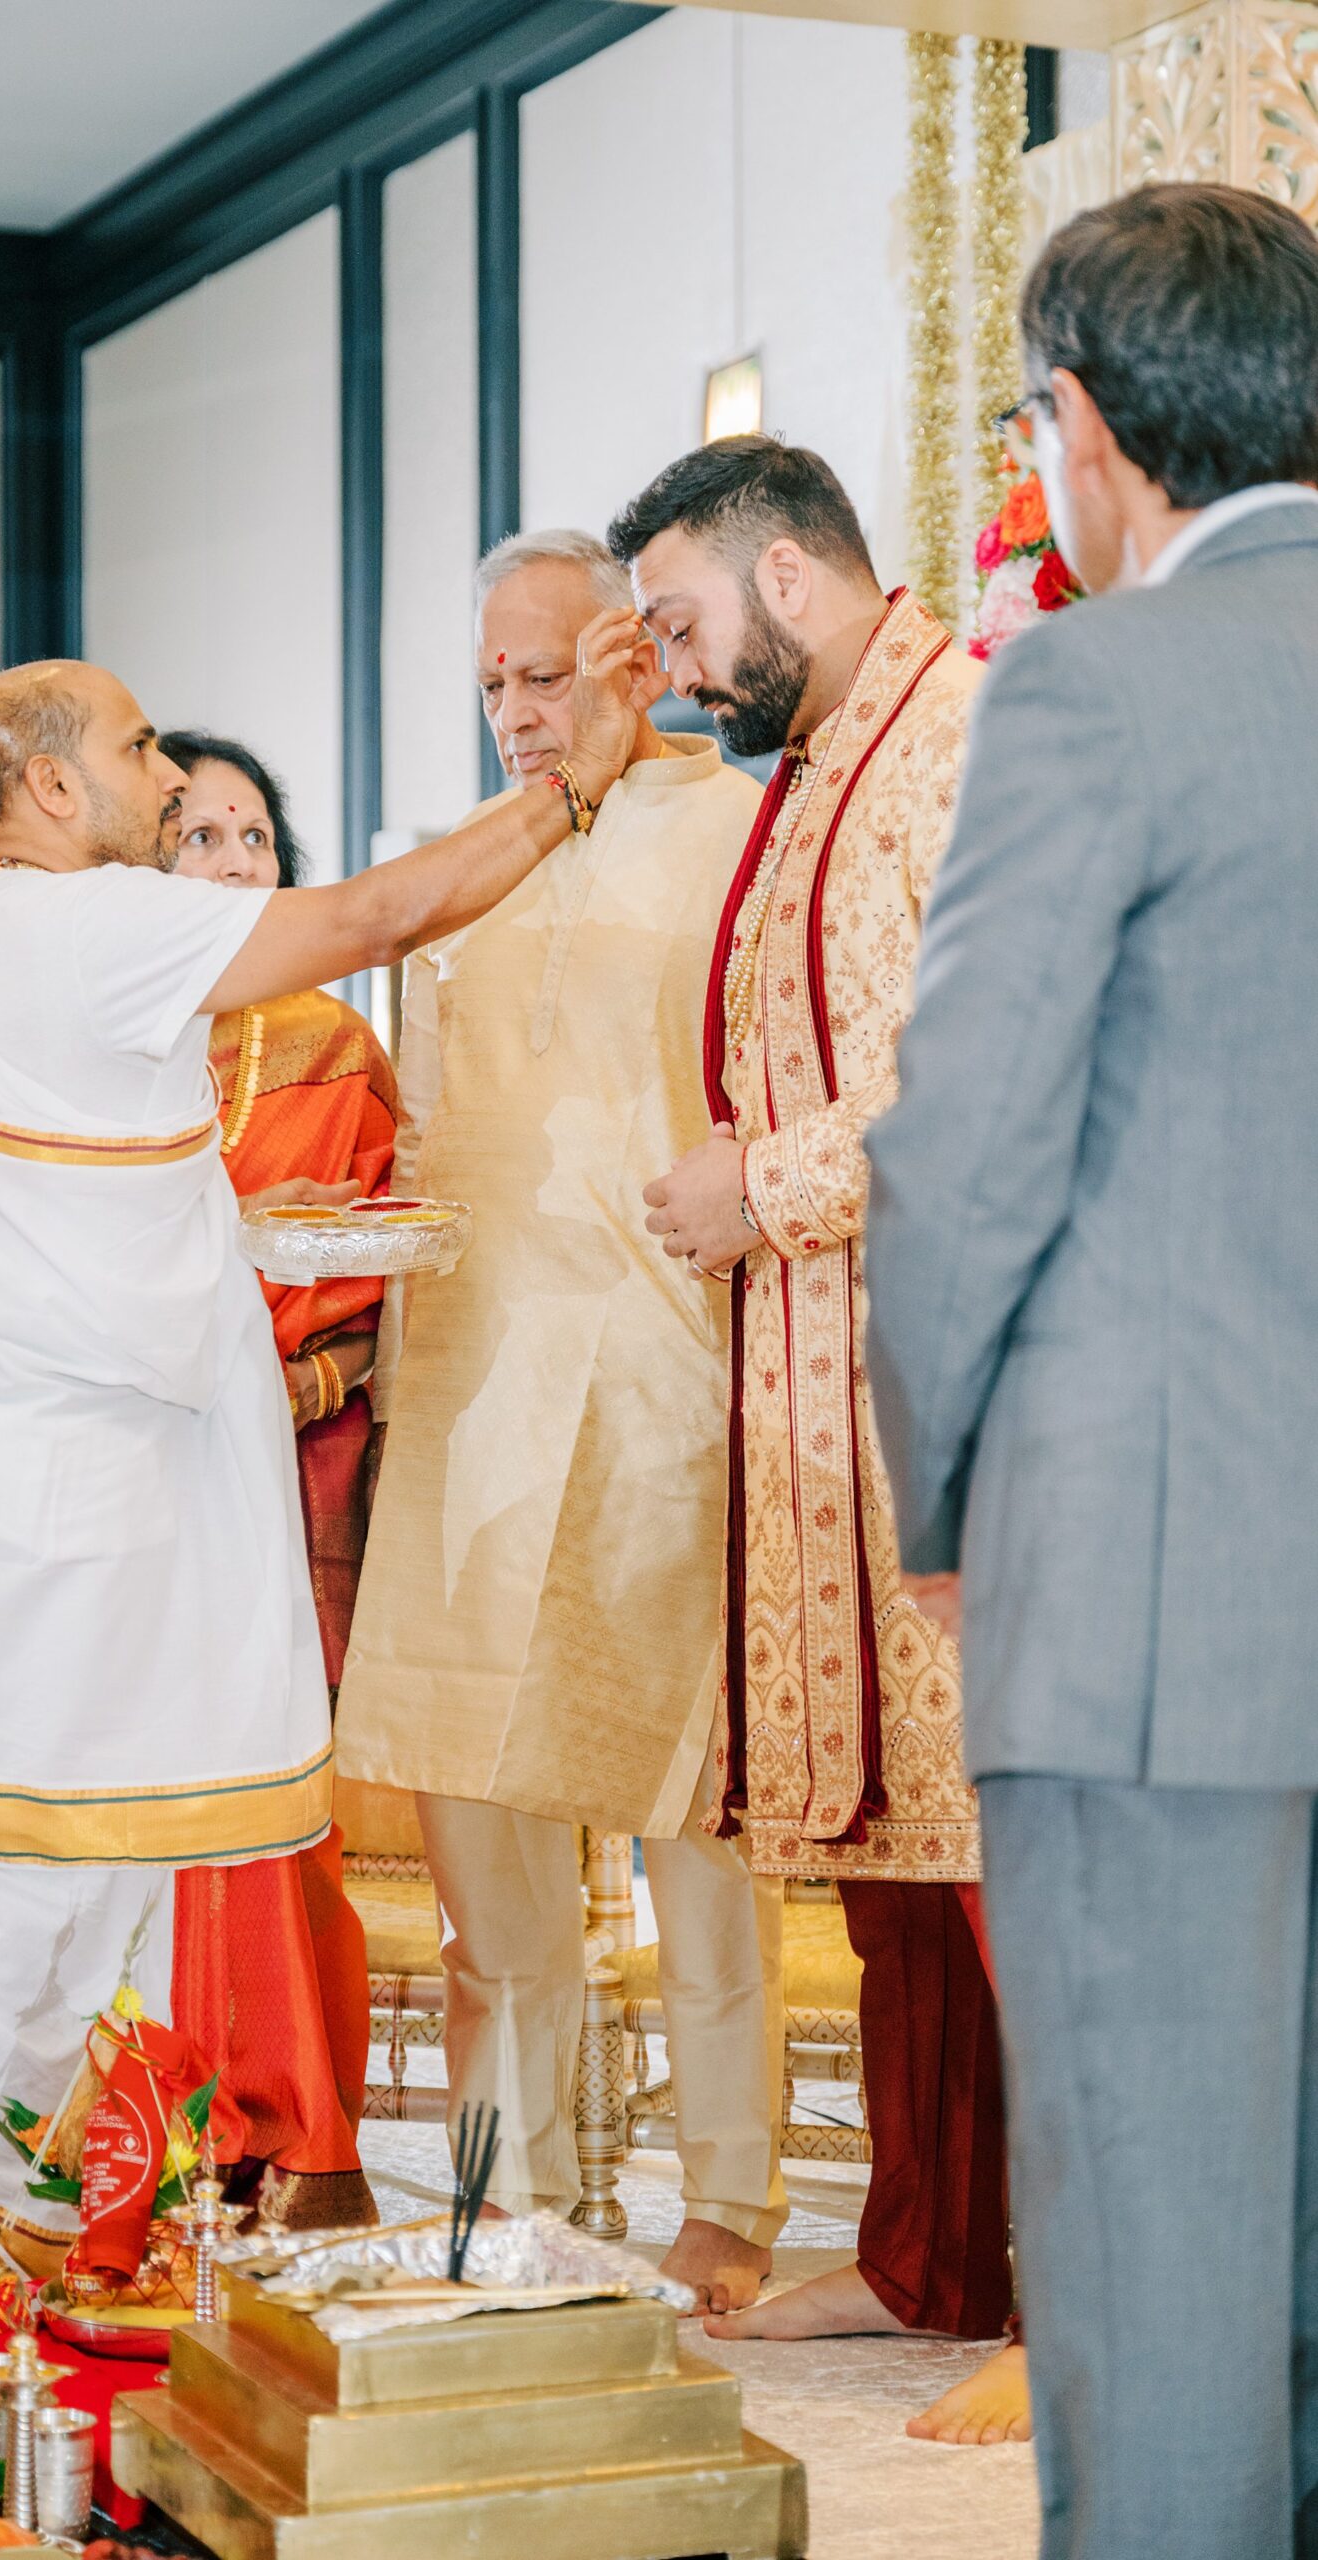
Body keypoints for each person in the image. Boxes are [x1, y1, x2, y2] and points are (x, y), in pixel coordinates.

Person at [0, 623, 647, 2279]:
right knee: (36, 1885)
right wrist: (574, 790)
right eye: (141, 754)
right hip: (54, 1517)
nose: (172, 778)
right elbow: (376, 916)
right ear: (52, 785)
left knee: (32, 1874)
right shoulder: (91, 921)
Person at [864, 184, 1318, 2558]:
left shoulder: (1095, 680)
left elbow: (966, 1156)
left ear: (1088, 422)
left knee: (1160, 2287)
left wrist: (944, 1507)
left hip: (1153, 1611)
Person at [336, 530, 788, 2314]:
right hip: (469, 1375)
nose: (520, 715)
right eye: (493, 689)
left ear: (627, 651)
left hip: (676, 1366)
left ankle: (733, 2199)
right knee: (479, 1820)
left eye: (546, 676)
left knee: (696, 1810)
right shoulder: (456, 864)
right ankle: (494, 2199)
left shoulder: (744, 830)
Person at [626, 439, 1023, 2431]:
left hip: (947, 1370)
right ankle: (932, 2249)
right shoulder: (818, 768)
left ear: (788, 574)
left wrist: (756, 1183)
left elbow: (989, 1061)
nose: (685, 674)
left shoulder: (958, 732)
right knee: (903, 1861)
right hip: (822, 1382)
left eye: (686, 625)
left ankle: (1081, 2304)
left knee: (1007, 1858)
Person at [161, 726, 397, 2227]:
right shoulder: (111, 1039)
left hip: (291, 1462)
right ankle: (162, 2123)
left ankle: (303, 2131)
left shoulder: (336, 1047)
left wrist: (281, 1374)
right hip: (133, 1462)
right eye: (199, 835)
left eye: (254, 837)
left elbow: (385, 1272)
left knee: (265, 1803)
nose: (236, 860)